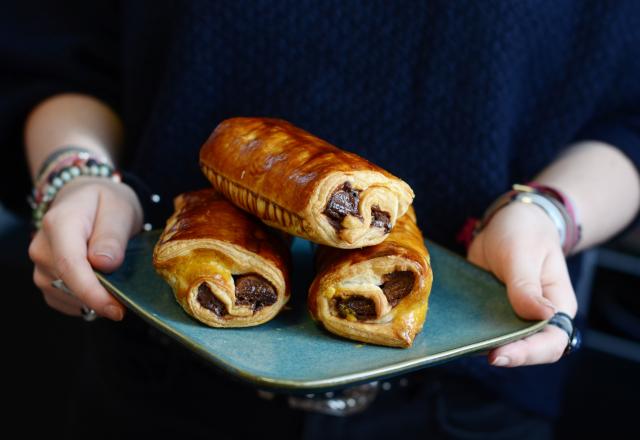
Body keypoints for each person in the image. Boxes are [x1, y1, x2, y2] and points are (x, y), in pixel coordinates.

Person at [4, 1, 639, 438]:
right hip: (156, 378)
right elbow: (58, 50)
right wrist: (77, 175)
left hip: (468, 405)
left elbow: (629, 114)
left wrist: (547, 212)